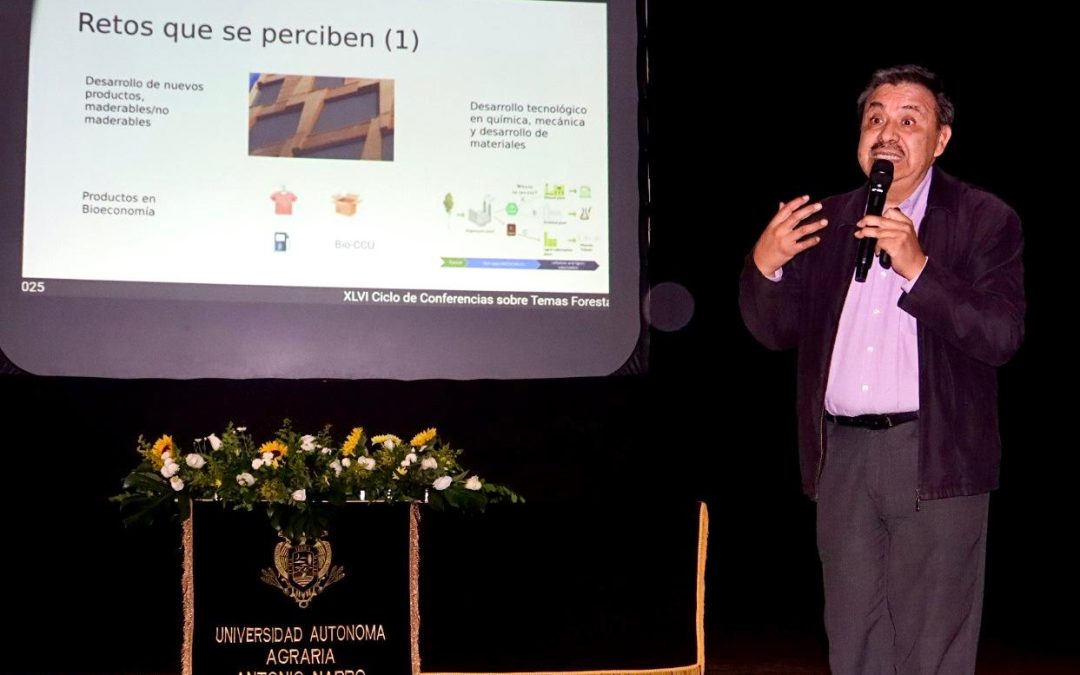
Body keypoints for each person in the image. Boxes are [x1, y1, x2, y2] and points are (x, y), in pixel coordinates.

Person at [738, 64, 1025, 674]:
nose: (887, 132)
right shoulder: (828, 219)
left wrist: (919, 267)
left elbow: (1001, 335)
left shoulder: (983, 218)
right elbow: (775, 330)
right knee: (853, 639)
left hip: (936, 456)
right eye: (875, 118)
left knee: (932, 645)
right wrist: (765, 266)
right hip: (841, 457)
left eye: (908, 120)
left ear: (941, 139)